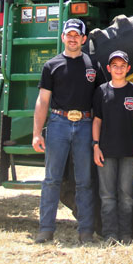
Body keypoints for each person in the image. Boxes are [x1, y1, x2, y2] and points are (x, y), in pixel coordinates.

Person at [32, 18, 106, 244]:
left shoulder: (94, 66)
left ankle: (85, 232)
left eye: (77, 35)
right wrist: (37, 132)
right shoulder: (51, 66)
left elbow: (102, 101)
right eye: (69, 34)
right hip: (58, 124)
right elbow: (43, 101)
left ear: (84, 39)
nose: (73, 38)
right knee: (52, 179)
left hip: (84, 124)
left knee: (84, 180)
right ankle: (45, 230)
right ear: (63, 37)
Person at [92, 50, 133, 244]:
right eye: (115, 65)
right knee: (107, 195)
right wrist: (96, 146)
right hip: (106, 151)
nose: (119, 69)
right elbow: (97, 121)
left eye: (122, 65)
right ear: (109, 68)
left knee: (126, 195)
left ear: (128, 68)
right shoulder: (101, 91)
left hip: (130, 152)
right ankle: (110, 234)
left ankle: (125, 234)